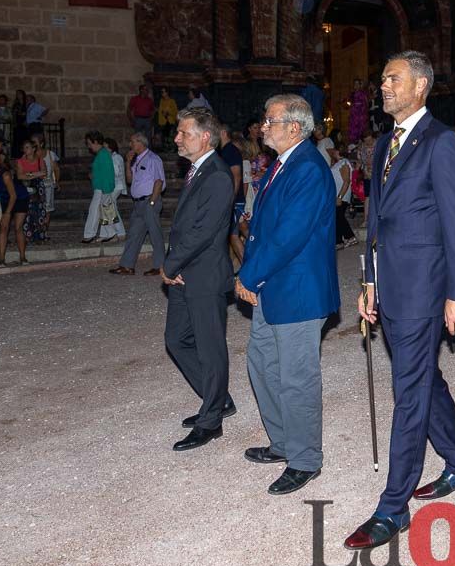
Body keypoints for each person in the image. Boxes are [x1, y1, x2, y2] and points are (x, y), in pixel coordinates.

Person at [348, 51, 455, 551]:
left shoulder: (442, 142)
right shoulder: (385, 144)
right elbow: (376, 221)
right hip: (391, 285)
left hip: (426, 287)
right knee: (423, 378)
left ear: (420, 85)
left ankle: (392, 507)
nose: (383, 85)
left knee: (409, 391)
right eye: (382, 77)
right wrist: (369, 281)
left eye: (393, 78)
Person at [236, 95, 338, 495]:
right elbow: (263, 229)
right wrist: (251, 273)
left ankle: (305, 459)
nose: (264, 126)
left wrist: (249, 275)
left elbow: (288, 237)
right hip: (272, 285)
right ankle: (283, 442)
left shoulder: (309, 169)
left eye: (270, 120)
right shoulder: (283, 164)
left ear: (294, 127)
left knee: (297, 378)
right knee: (262, 364)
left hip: (297, 290)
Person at [162, 107, 238, 453]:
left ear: (205, 137)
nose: (177, 138)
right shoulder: (199, 170)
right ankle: (218, 397)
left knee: (210, 349)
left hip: (204, 275)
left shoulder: (218, 175)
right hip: (185, 273)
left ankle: (211, 420)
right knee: (176, 340)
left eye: (184, 133)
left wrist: (170, 262)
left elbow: (204, 232)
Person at [109, 132, 166, 276]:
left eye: (132, 141)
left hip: (149, 201)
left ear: (141, 143)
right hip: (138, 204)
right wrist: (128, 163)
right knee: (134, 234)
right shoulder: (137, 159)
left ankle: (160, 266)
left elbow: (159, 181)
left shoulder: (153, 159)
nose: (130, 144)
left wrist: (152, 201)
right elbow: (129, 180)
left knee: (155, 235)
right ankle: (127, 266)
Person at [81, 131, 119, 243]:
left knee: (95, 211)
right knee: (103, 212)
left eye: (89, 143)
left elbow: (108, 174)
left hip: (103, 188)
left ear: (96, 142)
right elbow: (102, 172)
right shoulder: (102, 154)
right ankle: (109, 234)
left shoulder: (103, 154)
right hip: (101, 187)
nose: (88, 146)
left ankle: (90, 235)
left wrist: (106, 191)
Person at [15, 139, 48, 243]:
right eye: (24, 148)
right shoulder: (20, 161)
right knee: (27, 212)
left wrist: (28, 174)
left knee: (39, 212)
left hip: (38, 188)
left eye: (28, 147)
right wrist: (35, 174)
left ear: (33, 149)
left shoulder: (39, 160)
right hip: (26, 187)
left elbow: (44, 173)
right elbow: (19, 176)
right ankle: (27, 236)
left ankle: (39, 236)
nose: (25, 150)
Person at [327, 145, 357, 248]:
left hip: (342, 195)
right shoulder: (338, 163)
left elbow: (346, 181)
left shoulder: (344, 162)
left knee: (338, 217)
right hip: (337, 195)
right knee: (337, 217)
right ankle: (338, 241)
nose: (332, 152)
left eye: (334, 150)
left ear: (338, 151)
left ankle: (350, 237)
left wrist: (340, 196)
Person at [105, 137, 128, 240]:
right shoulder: (112, 157)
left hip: (116, 186)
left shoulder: (116, 157)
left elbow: (116, 172)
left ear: (110, 147)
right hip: (113, 186)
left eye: (105, 146)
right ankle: (117, 232)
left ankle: (119, 232)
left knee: (110, 207)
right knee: (111, 208)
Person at [348, 77, 369, 143]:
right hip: (354, 115)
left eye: (357, 84)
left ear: (360, 85)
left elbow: (366, 103)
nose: (356, 85)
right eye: (355, 84)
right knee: (354, 130)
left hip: (361, 115)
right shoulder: (352, 94)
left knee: (361, 130)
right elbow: (349, 103)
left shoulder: (363, 93)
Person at [10, 90, 28, 157]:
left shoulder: (26, 103)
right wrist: (20, 113)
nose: (18, 95)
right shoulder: (16, 104)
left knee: (24, 140)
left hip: (25, 125)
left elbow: (29, 112)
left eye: (20, 94)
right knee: (17, 140)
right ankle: (17, 155)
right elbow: (14, 113)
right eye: (17, 94)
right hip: (18, 124)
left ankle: (25, 154)